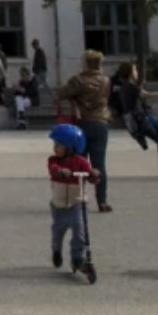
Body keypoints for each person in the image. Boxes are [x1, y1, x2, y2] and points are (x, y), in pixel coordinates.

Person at [58, 49, 113, 212]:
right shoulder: (106, 81)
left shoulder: (78, 80)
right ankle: (102, 201)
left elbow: (61, 94)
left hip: (83, 124)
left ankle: (78, 199)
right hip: (101, 123)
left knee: (79, 163)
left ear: (85, 63)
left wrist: (73, 97)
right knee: (100, 164)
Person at [46, 122, 99, 284]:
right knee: (58, 231)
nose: (55, 148)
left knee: (79, 230)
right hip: (59, 205)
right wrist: (61, 172)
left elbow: (92, 176)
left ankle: (77, 257)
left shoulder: (81, 162)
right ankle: (56, 250)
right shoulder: (54, 161)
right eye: (55, 144)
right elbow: (53, 168)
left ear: (71, 146)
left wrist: (94, 175)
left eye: (59, 145)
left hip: (77, 203)